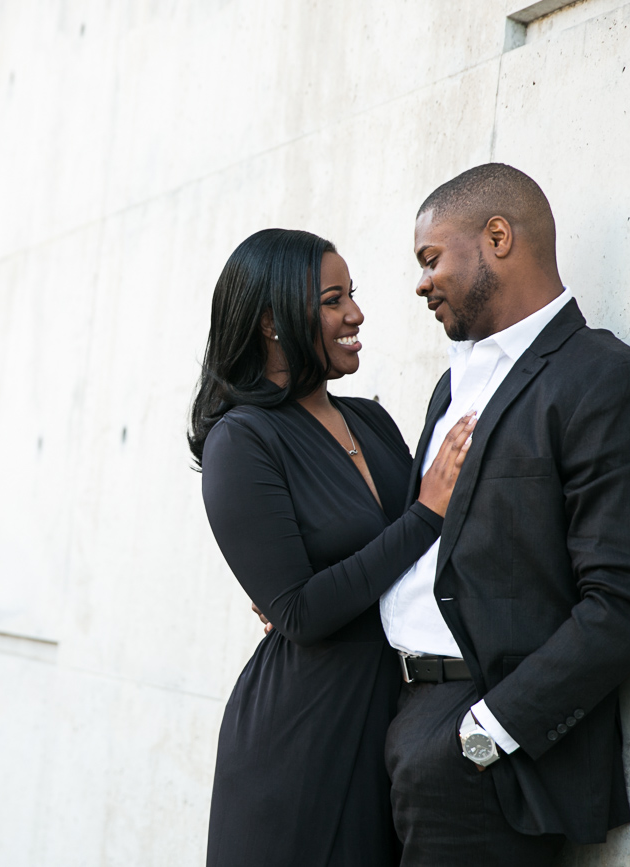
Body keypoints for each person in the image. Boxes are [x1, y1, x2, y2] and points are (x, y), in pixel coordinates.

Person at [379, 164, 630, 865]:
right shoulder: (449, 387)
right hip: (403, 726)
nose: (422, 282)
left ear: (497, 236)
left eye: (431, 258)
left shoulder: (599, 376)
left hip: (484, 755)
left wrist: (486, 732)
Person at [190, 228, 477, 867]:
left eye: (351, 295)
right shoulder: (241, 442)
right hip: (301, 736)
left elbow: (419, 565)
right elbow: (300, 613)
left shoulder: (370, 421)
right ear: (271, 322)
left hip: (394, 724)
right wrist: (426, 512)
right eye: (331, 300)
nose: (355, 314)